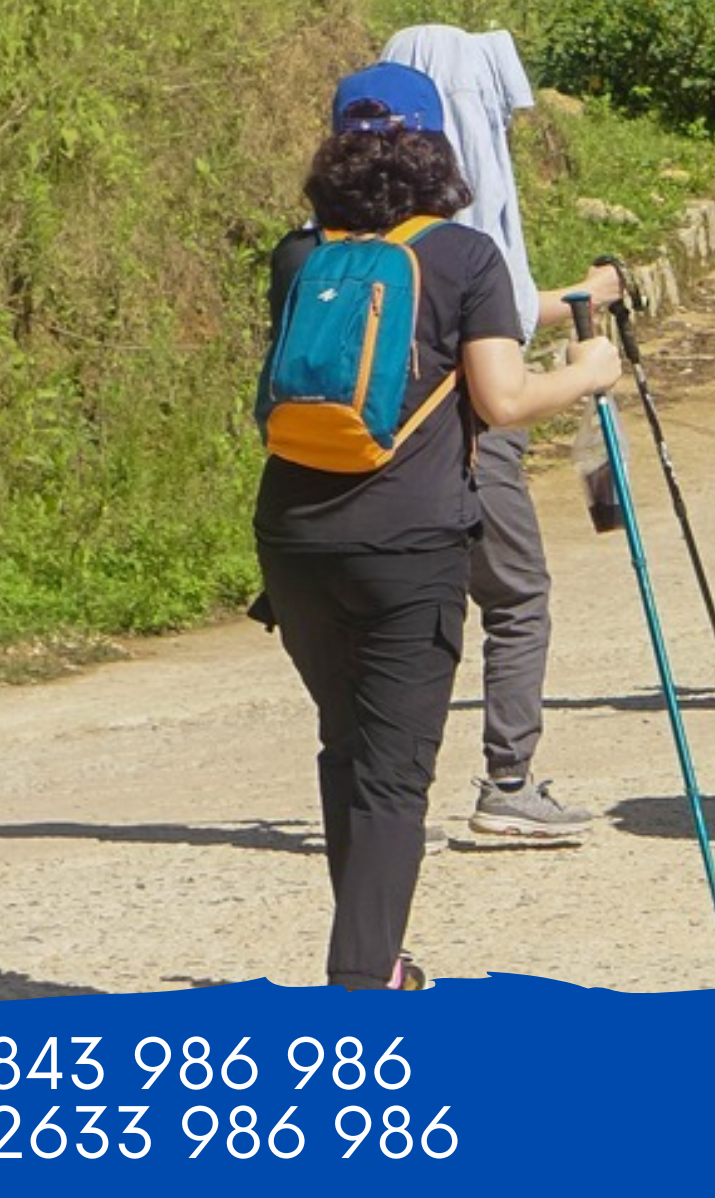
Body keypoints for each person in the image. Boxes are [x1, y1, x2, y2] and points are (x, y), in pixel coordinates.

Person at [256, 63, 622, 989]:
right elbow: (503, 401)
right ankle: (362, 983)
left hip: (295, 538)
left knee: (349, 746)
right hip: (409, 541)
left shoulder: (297, 258)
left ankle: (373, 958)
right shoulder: (463, 256)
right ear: (436, 147)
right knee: (394, 774)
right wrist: (590, 371)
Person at [375, 26, 626, 846]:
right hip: (471, 440)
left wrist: (575, 295)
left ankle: (380, 789)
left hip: (371, 454)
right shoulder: (465, 232)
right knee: (516, 599)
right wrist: (589, 367)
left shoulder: (341, 232)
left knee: (409, 614)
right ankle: (508, 783)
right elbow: (501, 357)